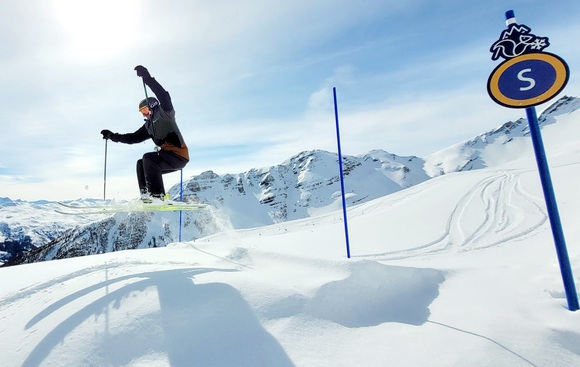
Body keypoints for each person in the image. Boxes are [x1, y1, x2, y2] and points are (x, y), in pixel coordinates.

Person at [101, 65, 189, 202]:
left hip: (178, 156)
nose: (145, 114)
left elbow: (163, 95)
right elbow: (132, 138)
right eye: (142, 112)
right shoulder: (149, 126)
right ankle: (147, 197)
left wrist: (147, 78)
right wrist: (112, 136)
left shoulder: (166, 113)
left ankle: (158, 196)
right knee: (141, 163)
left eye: (146, 110)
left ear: (153, 106)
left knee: (148, 158)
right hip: (167, 158)